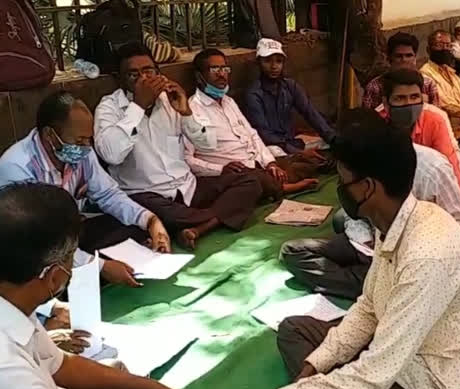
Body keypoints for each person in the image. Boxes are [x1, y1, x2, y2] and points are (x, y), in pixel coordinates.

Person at [244, 110, 460, 389]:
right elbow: (367, 308)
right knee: (293, 330)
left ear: (368, 187)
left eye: (343, 178)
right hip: (397, 353)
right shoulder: (395, 220)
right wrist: (314, 370)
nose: (339, 187)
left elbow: (378, 370)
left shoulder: (428, 251)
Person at [0, 182, 239, 389]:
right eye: (74, 256)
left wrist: (152, 388)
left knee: (117, 382)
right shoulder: (7, 369)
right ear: (55, 275)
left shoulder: (14, 301)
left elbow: (63, 366)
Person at [280, 110, 460, 301]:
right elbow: (365, 311)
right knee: (300, 246)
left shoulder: (429, 174)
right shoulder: (381, 218)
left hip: (411, 263)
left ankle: (368, 282)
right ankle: (367, 280)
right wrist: (366, 243)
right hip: (373, 248)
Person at [94, 42, 263, 250]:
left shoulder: (169, 100)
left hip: (188, 188)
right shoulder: (109, 107)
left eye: (149, 71)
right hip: (147, 195)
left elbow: (207, 144)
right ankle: (213, 218)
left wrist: (186, 112)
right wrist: (138, 106)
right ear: (119, 79)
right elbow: (111, 155)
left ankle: (196, 226)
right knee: (149, 213)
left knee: (250, 180)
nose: (145, 79)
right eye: (134, 75)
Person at [0, 91, 170, 289]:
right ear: (49, 135)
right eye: (79, 141)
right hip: (33, 247)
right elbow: (37, 238)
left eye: (89, 139)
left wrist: (149, 220)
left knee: (133, 227)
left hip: (69, 237)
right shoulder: (18, 167)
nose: (86, 147)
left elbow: (107, 194)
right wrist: (100, 266)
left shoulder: (82, 152)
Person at [186, 48, 324, 199]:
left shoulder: (228, 101)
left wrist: (270, 164)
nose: (221, 74)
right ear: (199, 76)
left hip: (255, 162)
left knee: (306, 161)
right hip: (234, 172)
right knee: (251, 181)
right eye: (214, 69)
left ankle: (272, 182)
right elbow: (188, 159)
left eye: (225, 68)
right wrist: (220, 169)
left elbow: (252, 134)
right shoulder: (190, 110)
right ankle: (280, 187)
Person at [378, 69, 460, 201]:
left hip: (426, 194)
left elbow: (451, 170)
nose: (408, 103)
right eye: (400, 98)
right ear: (386, 104)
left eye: (414, 97)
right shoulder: (376, 125)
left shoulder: (434, 121)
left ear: (423, 99)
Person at [243, 38, 336, 155]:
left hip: (292, 142)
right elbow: (264, 133)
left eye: (278, 61)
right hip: (272, 146)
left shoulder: (290, 86)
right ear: (259, 63)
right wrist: (297, 152)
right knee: (275, 152)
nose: (274, 66)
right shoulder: (254, 94)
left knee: (327, 144)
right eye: (267, 61)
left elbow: (310, 113)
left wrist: (333, 138)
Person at [363, 32, 441, 109]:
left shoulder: (428, 85)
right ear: (389, 58)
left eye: (408, 55)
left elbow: (436, 115)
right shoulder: (375, 87)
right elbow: (367, 118)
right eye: (398, 56)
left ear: (415, 57)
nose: (404, 60)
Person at [420, 30, 460, 125]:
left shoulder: (450, 72)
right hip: (450, 125)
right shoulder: (426, 74)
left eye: (448, 45)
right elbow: (446, 106)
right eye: (439, 45)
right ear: (428, 50)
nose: (445, 49)